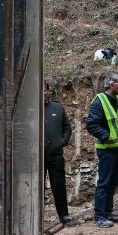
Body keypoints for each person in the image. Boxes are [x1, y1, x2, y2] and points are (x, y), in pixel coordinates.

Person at [86, 73, 118, 228]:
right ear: (111, 85)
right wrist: (108, 137)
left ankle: (108, 212)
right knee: (104, 183)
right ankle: (99, 216)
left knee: (113, 182)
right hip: (107, 149)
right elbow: (91, 124)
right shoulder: (99, 101)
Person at [43, 82, 73, 224]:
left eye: (43, 91)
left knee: (59, 185)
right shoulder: (29, 109)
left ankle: (63, 215)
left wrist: (63, 141)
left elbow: (67, 127)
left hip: (55, 154)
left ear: (48, 92)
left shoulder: (58, 108)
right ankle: (37, 217)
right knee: (37, 188)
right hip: (36, 157)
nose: (41, 94)